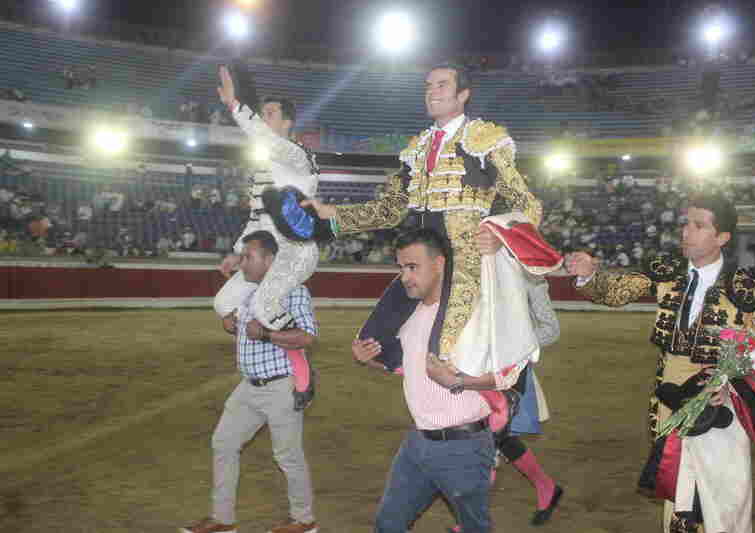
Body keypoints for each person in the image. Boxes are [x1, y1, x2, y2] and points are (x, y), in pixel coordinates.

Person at [304, 62, 543, 430]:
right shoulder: (415, 151)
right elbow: (389, 209)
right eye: (428, 85)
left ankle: (494, 414)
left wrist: (499, 234)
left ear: (463, 94)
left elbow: (528, 205)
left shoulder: (485, 142)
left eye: (442, 85)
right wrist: (331, 214)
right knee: (373, 341)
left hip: (464, 263)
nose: (432, 91)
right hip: (421, 260)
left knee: (446, 352)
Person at [565, 193, 755, 533]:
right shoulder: (667, 271)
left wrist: (734, 391)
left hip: (720, 399)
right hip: (668, 395)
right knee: (678, 486)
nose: (686, 232)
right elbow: (617, 291)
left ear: (722, 237)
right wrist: (590, 276)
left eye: (699, 225)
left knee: (722, 492)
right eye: (686, 223)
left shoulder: (746, 287)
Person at [352, 229, 496, 533]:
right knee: (388, 524)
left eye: (413, 267)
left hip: (464, 446)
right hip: (418, 443)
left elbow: (505, 376)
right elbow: (409, 368)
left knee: (475, 529)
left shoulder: (470, 314)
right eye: (401, 268)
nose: (405, 277)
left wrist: (457, 381)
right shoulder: (411, 314)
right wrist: (371, 360)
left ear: (439, 263)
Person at [181, 230, 319, 533]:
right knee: (224, 443)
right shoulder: (248, 291)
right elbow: (247, 330)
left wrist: (267, 334)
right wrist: (233, 326)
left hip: (282, 386)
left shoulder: (293, 291)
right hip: (249, 386)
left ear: (269, 259)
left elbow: (306, 337)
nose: (242, 263)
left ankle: (304, 520)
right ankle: (222, 519)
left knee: (287, 455)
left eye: (249, 257)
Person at [213, 65, 320, 403]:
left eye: (270, 114)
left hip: (294, 251)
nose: (264, 118)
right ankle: (261, 353)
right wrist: (239, 252)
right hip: (263, 253)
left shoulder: (298, 157)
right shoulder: (264, 169)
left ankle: (301, 365)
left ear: (287, 122)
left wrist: (235, 105)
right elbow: (256, 218)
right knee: (222, 304)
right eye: (263, 114)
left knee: (263, 303)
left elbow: (263, 138)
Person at [449, 272, 564, 531]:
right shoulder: (473, 271)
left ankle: (469, 523)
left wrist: (511, 344)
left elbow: (550, 329)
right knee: (496, 439)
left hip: (509, 373)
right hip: (473, 368)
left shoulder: (530, 278)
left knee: (487, 441)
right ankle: (546, 486)